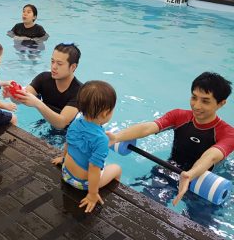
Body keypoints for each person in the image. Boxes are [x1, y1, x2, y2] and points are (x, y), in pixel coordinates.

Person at [108, 72, 234, 206]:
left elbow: (211, 156)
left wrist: (189, 175)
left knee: (198, 223)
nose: (196, 105)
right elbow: (149, 127)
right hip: (173, 167)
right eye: (194, 97)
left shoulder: (228, 133)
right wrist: (116, 137)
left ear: (221, 103)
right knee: (146, 205)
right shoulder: (179, 116)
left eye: (205, 101)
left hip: (206, 179)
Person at [52, 80, 122, 213]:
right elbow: (94, 168)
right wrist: (92, 194)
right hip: (83, 184)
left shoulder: (76, 122)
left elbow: (68, 143)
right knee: (117, 169)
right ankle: (114, 191)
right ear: (105, 113)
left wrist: (62, 158)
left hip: (66, 173)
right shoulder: (101, 140)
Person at [14, 43, 82, 129]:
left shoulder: (80, 91)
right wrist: (13, 93)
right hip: (44, 122)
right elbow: (23, 97)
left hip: (67, 132)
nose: (53, 67)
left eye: (59, 64)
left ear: (73, 67)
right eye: (52, 61)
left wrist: (37, 103)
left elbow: (61, 124)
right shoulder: (44, 78)